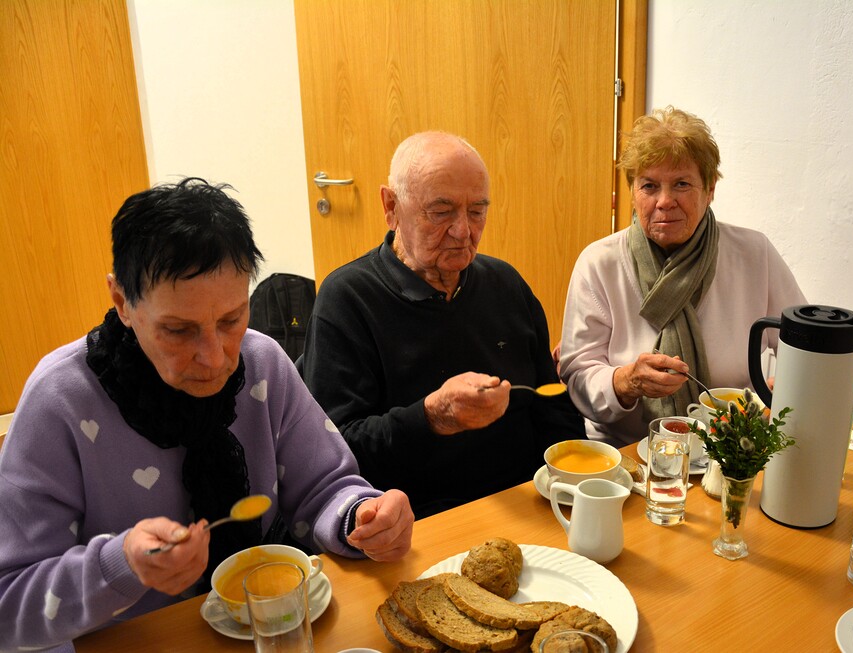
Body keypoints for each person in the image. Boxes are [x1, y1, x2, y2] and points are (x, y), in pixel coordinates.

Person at [0, 178, 414, 651]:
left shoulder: (262, 363)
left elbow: (324, 487)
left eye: (232, 320)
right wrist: (120, 564)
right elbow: (8, 601)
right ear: (122, 302)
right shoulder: (61, 401)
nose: (215, 358)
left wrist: (362, 516)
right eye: (179, 330)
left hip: (269, 628)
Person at [299, 131, 585, 519]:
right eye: (441, 212)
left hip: (526, 502)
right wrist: (432, 417)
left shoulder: (506, 284)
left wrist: (577, 489)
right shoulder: (348, 300)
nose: (463, 231)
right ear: (391, 207)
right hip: (416, 520)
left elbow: (551, 406)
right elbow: (336, 453)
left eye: (477, 211)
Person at [559, 107, 806, 446]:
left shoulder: (753, 254)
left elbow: (801, 345)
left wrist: (782, 388)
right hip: (625, 449)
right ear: (632, 192)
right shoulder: (600, 263)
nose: (665, 201)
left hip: (733, 443)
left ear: (710, 188)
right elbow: (578, 378)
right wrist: (626, 381)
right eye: (649, 186)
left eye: (681, 184)